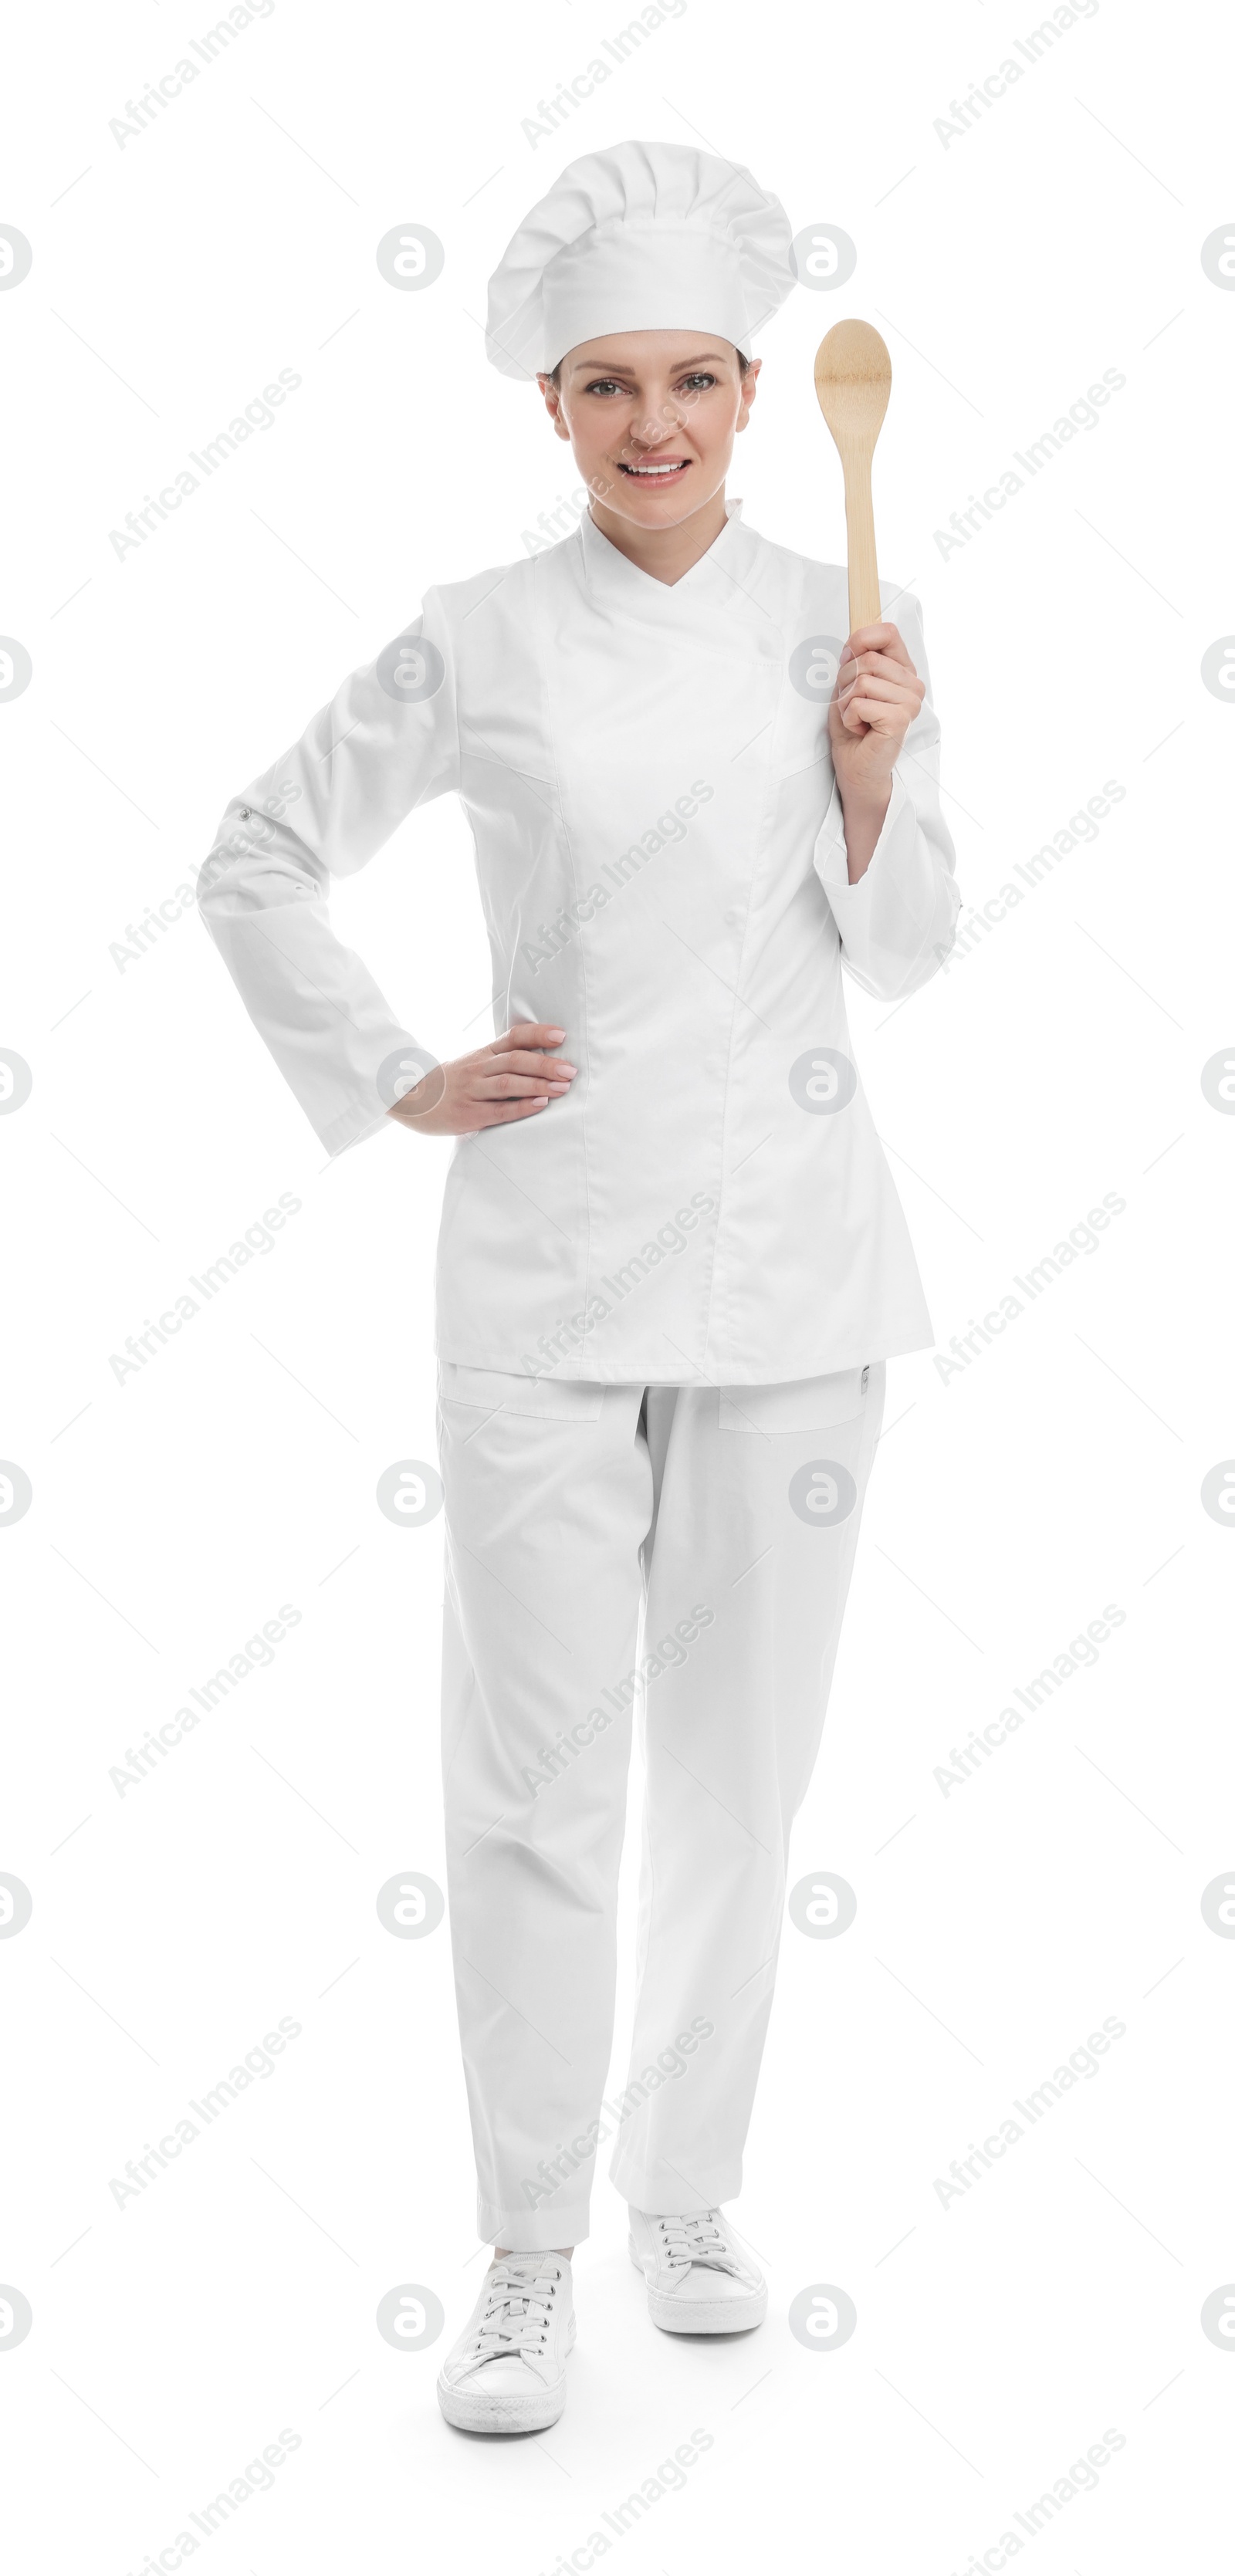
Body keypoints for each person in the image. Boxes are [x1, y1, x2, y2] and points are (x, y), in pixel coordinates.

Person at [198, 137, 959, 2437]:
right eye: (608, 382)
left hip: (797, 1284)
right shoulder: (481, 635)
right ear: (550, 404)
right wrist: (394, 1075)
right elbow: (253, 858)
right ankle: (528, 2253)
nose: (656, 423)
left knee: (741, 1782)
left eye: (699, 381)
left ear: (755, 395)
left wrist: (869, 775)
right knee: (535, 1780)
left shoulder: (856, 613)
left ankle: (686, 2199)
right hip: (539, 1276)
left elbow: (912, 952)